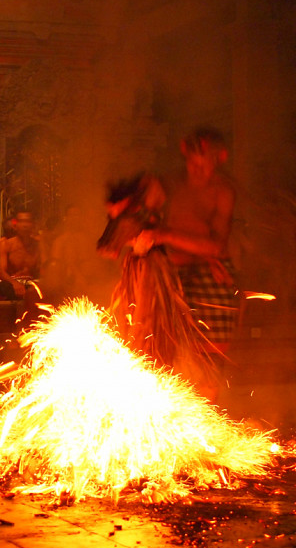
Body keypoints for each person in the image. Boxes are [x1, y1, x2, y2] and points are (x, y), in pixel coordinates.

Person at [100, 127, 240, 399]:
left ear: (219, 159)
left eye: (205, 163)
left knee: (206, 366)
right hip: (166, 273)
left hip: (209, 279)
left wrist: (164, 235)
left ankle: (204, 418)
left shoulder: (222, 192)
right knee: (147, 345)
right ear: (185, 156)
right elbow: (132, 214)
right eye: (193, 163)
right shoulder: (168, 184)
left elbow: (216, 246)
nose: (198, 169)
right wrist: (121, 217)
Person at [0, 209, 43, 302]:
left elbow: (45, 267)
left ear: (33, 224)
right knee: (3, 287)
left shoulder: (39, 245)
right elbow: (1, 272)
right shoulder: (6, 245)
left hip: (32, 283)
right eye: (21, 221)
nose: (25, 225)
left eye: (28, 221)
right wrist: (14, 283)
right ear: (15, 224)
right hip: (11, 284)